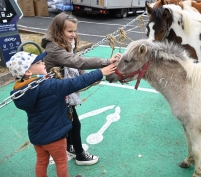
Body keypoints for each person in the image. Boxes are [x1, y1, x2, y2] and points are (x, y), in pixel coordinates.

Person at [6, 51, 116, 177]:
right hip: (55, 137)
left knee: (42, 162)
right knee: (61, 162)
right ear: (28, 72)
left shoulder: (19, 90)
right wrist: (101, 72)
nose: (43, 63)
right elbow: (75, 83)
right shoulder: (49, 86)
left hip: (37, 137)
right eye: (38, 62)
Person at [41, 12, 121, 166]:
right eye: (70, 31)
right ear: (58, 31)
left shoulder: (63, 42)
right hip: (57, 92)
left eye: (75, 31)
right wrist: (105, 62)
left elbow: (75, 63)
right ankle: (80, 156)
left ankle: (71, 146)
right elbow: (77, 61)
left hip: (62, 88)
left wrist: (87, 79)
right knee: (74, 124)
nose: (74, 35)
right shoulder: (54, 48)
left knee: (69, 122)